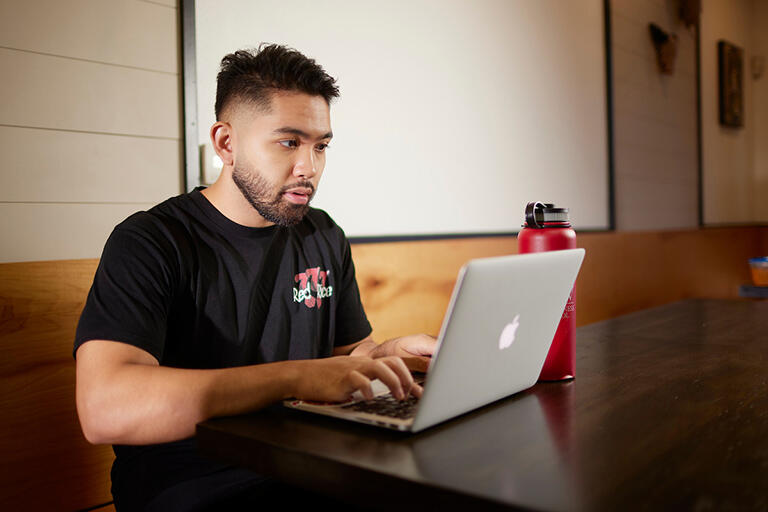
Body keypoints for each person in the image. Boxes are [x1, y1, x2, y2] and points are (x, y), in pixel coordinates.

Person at [74, 44, 436, 511]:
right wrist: (297, 377)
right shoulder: (150, 241)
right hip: (196, 491)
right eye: (289, 142)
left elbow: (341, 356)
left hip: (312, 470)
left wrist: (382, 356)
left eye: (320, 146)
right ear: (226, 143)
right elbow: (105, 409)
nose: (309, 167)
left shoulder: (322, 233)